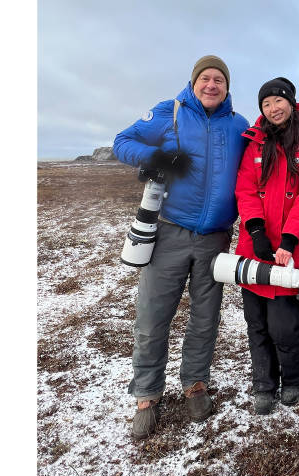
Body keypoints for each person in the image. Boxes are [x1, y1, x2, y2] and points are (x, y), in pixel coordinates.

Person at [113, 55, 249, 439]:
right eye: (205, 78)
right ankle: (146, 394)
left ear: (227, 86)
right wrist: (156, 157)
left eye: (218, 79)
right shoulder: (168, 112)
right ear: (193, 83)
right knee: (153, 316)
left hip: (216, 238)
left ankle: (195, 383)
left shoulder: (239, 125)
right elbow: (122, 142)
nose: (211, 85)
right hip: (170, 232)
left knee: (206, 318)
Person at [235, 78, 299, 415]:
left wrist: (289, 239)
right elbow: (245, 188)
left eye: (278, 101)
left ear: (291, 102)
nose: (273, 109)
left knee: (283, 327)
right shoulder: (254, 144)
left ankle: (292, 379)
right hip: (255, 249)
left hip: (295, 252)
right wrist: (256, 230)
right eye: (266, 104)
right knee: (256, 322)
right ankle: (264, 384)